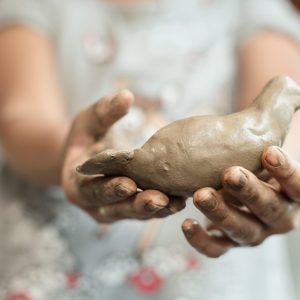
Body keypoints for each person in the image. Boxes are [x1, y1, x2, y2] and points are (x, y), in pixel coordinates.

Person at [0, 0, 300, 299]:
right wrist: (73, 152)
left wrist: (280, 183)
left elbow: (287, 115)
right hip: (60, 271)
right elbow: (21, 118)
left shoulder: (252, 7)